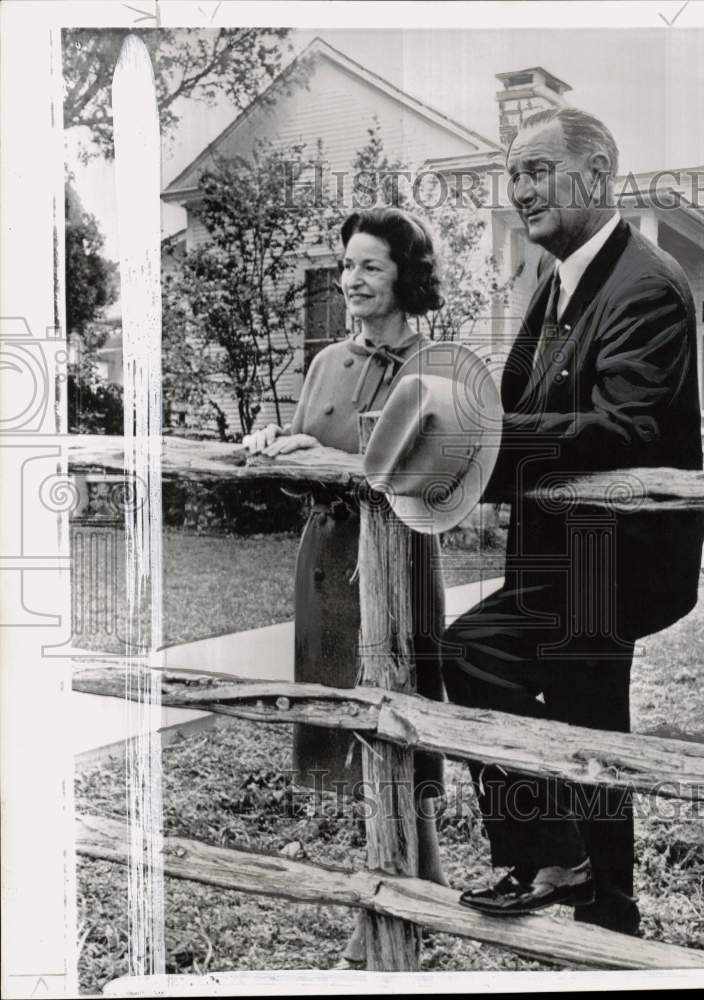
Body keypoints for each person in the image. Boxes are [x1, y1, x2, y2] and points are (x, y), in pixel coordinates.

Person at [441, 107, 704, 932]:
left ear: (594, 177)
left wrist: (479, 441)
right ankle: (609, 908)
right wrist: (441, 441)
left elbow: (623, 428)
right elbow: (512, 408)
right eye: (511, 175)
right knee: (591, 722)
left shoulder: (646, 284)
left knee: (474, 649)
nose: (517, 191)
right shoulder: (555, 282)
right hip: (560, 556)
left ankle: (548, 855)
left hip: (613, 559)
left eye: (534, 171)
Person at [244, 206, 449, 966]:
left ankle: (390, 921)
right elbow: (307, 473)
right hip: (328, 568)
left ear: (405, 275)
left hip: (400, 575)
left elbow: (429, 482)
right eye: (346, 265)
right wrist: (276, 447)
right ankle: (417, 904)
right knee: (354, 738)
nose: (349, 279)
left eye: (368, 265)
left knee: (400, 733)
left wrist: (333, 462)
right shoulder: (329, 361)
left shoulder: (439, 367)